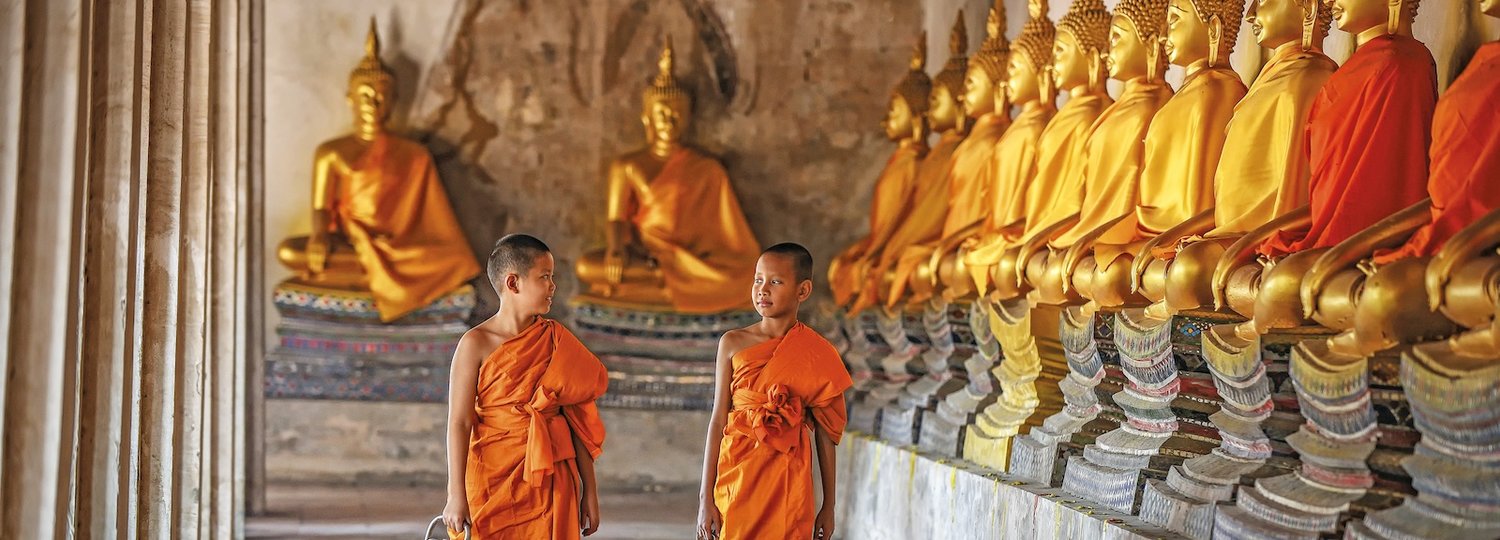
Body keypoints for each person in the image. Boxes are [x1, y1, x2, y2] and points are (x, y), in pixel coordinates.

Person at [441, 234, 609, 539]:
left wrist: (590, 492)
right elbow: (460, 422)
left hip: (551, 478)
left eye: (552, 277)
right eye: (544, 277)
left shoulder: (557, 341)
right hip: (492, 476)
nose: (553, 286)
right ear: (513, 283)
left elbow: (577, 421)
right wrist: (455, 494)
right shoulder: (475, 344)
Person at [697, 243, 855, 539]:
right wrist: (704, 499)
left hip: (788, 480)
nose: (763, 289)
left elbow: (826, 434)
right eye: (758, 279)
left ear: (803, 290)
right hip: (737, 475)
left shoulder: (818, 353)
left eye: (776, 281)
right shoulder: (732, 343)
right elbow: (718, 419)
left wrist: (829, 505)